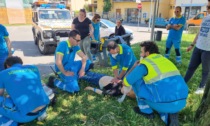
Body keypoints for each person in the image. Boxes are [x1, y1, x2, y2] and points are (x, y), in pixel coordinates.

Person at [123, 41, 188, 126]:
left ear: (147, 53)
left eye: (141, 52)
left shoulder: (145, 64)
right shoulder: (165, 60)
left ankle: (146, 111)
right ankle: (167, 114)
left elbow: (127, 82)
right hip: (181, 101)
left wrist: (135, 67)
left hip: (162, 102)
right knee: (161, 90)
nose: (140, 55)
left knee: (137, 81)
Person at [0, 56, 49, 125]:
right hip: (44, 107)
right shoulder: (33, 68)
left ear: (7, 66)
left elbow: (0, 95)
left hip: (27, 116)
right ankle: (41, 114)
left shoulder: (3, 73)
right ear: (21, 63)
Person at [184, 0, 210, 94]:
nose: (207, 9)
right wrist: (192, 44)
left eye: (209, 7)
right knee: (191, 67)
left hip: (208, 50)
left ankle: (201, 87)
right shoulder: (206, 18)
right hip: (198, 47)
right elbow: (200, 32)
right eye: (207, 7)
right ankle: (183, 83)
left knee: (205, 70)